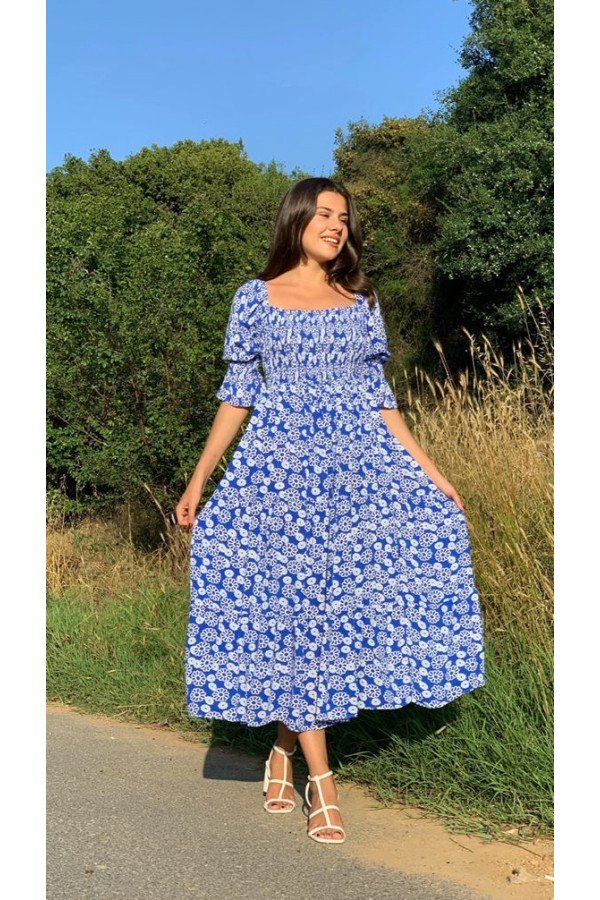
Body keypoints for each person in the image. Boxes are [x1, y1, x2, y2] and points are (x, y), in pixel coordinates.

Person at [176, 177, 486, 844]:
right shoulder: (254, 299)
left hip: (357, 474)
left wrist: (431, 472)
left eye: (344, 217)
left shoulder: (359, 299)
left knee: (326, 616)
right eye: (324, 213)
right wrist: (200, 478)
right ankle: (324, 783)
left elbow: (380, 397)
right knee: (297, 613)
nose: (336, 225)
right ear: (296, 219)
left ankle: (283, 748)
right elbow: (237, 394)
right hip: (279, 477)